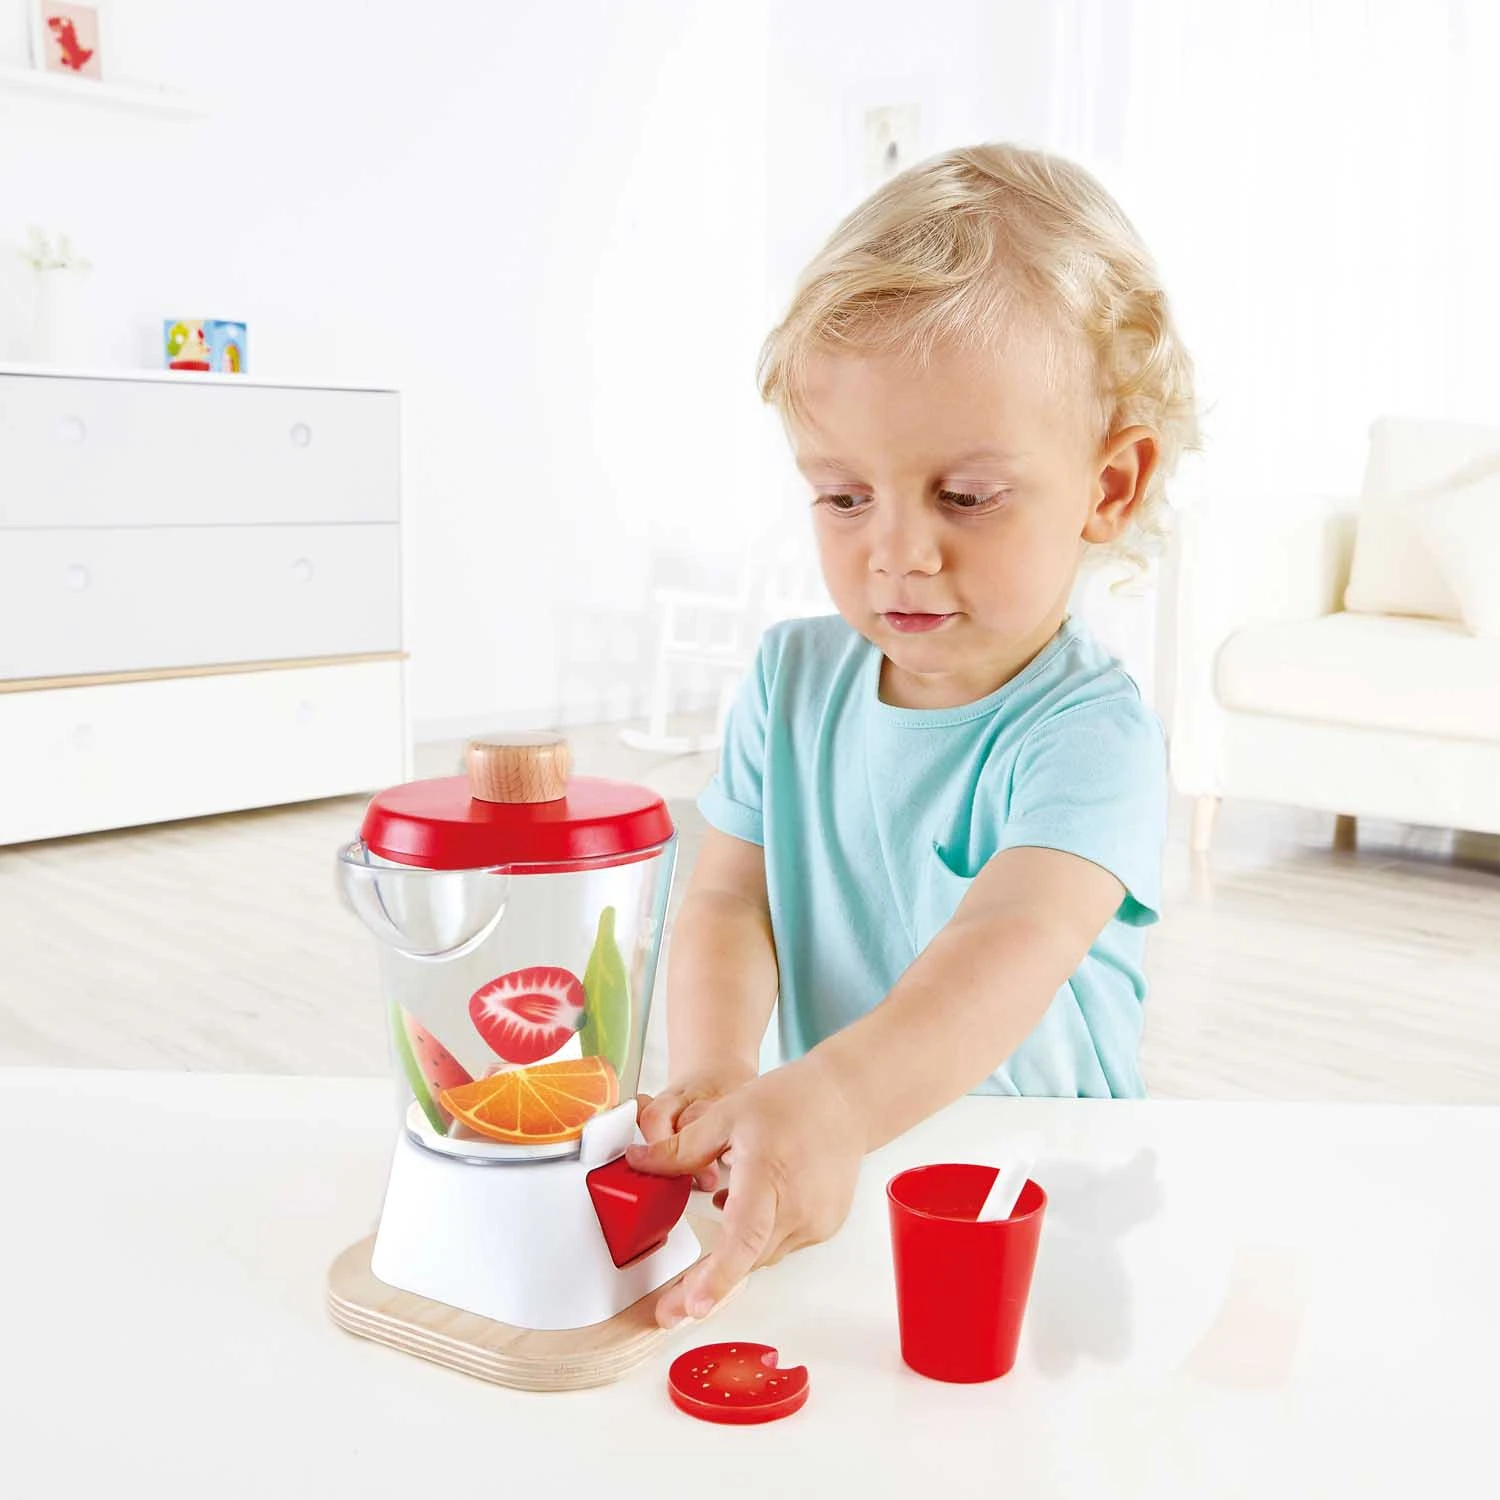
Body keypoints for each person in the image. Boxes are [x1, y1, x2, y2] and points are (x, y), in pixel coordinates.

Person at [628, 142, 1199, 1328]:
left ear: (1110, 487)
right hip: (844, 1169)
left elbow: (1010, 941)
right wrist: (721, 1066)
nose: (896, 553)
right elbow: (728, 901)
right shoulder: (789, 681)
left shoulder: (1093, 737)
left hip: (1046, 1198)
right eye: (844, 496)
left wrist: (833, 1099)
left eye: (965, 496)